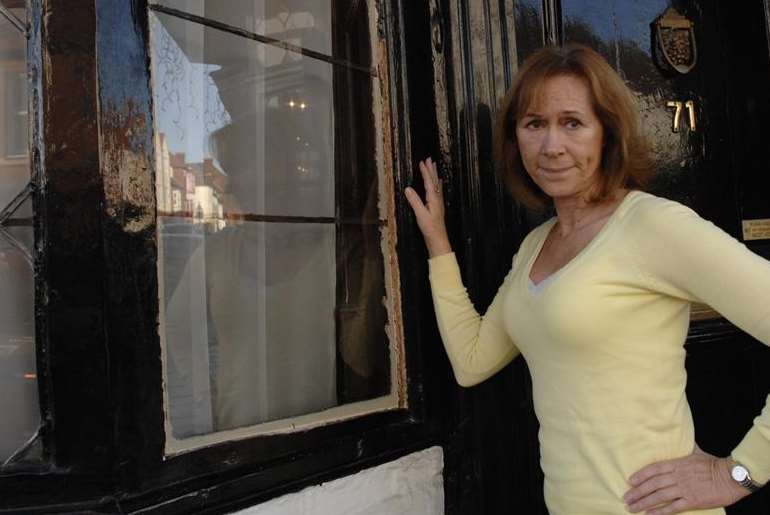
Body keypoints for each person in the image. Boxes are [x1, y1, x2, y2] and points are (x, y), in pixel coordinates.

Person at [404, 44, 770, 515]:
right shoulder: (536, 245)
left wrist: (739, 472)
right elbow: (472, 361)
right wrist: (438, 245)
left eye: (572, 123)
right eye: (534, 124)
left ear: (607, 134)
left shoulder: (652, 225)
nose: (552, 146)